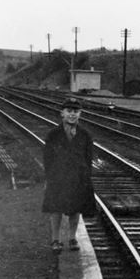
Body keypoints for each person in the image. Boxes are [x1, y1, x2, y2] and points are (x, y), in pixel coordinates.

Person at [42, 97, 95, 253]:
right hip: (58, 177)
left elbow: (88, 158)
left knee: (76, 208)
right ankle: (55, 240)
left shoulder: (85, 135)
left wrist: (86, 178)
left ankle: (72, 238)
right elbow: (47, 158)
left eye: (76, 112)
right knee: (55, 208)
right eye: (69, 111)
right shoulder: (53, 134)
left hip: (78, 177)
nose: (72, 114)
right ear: (62, 114)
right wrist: (49, 178)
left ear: (80, 114)